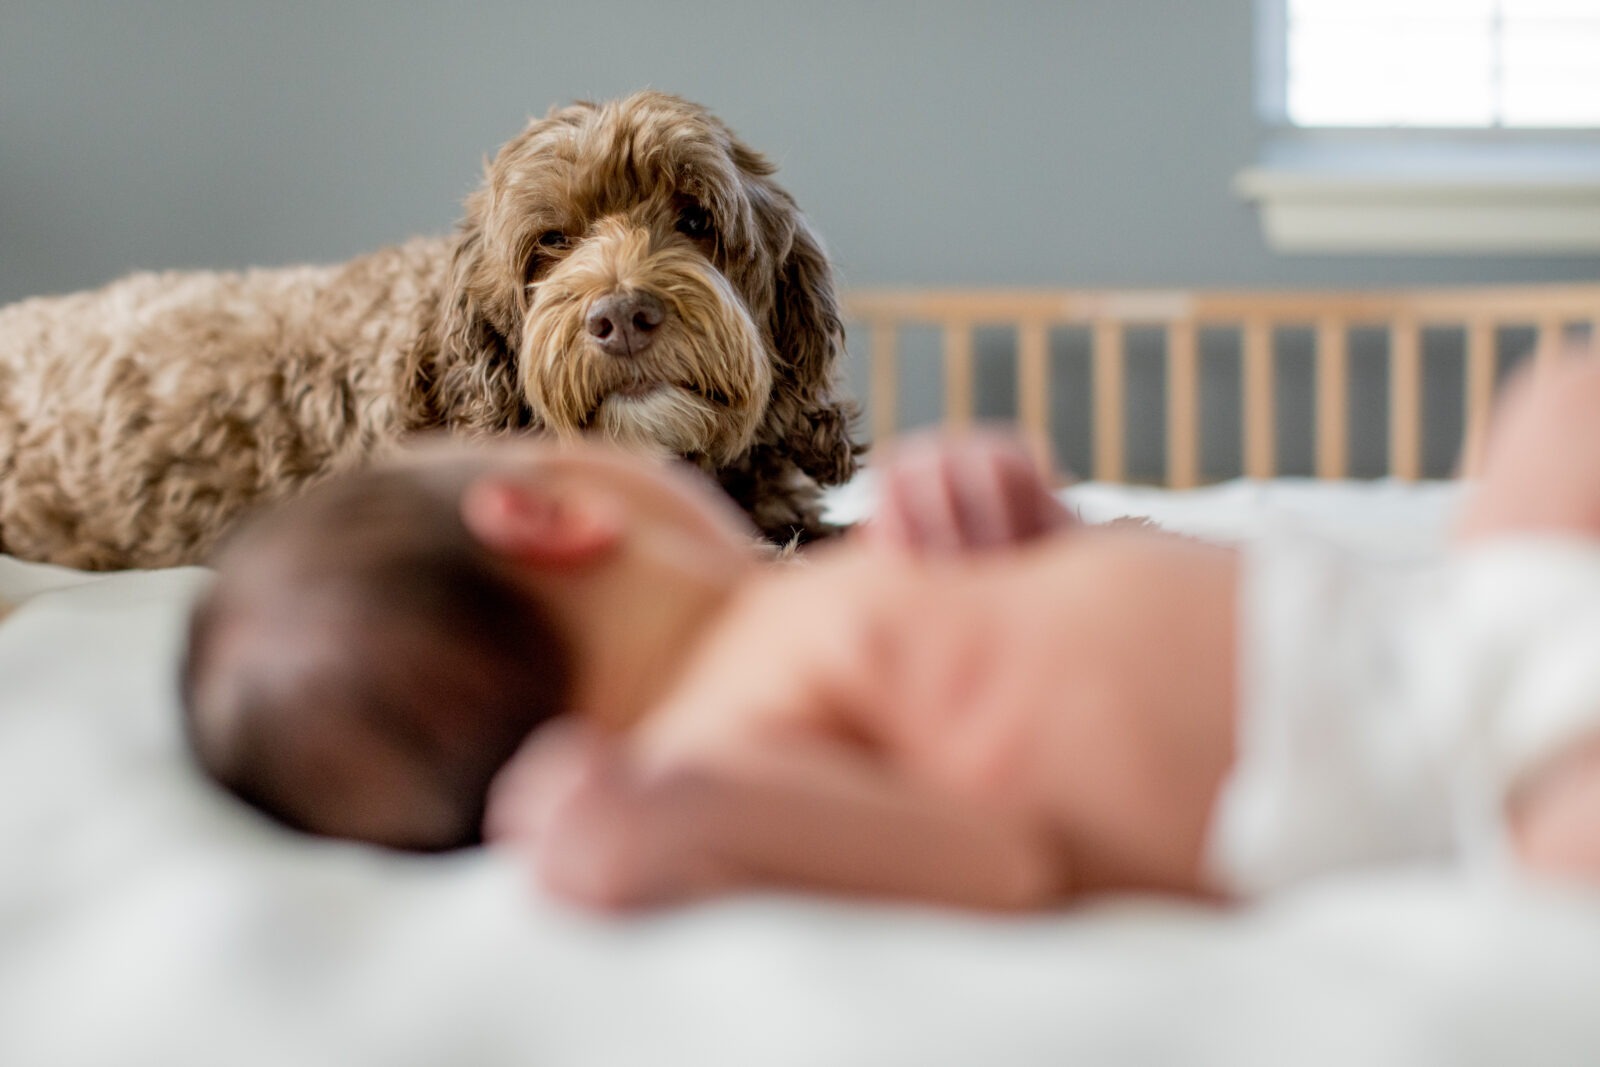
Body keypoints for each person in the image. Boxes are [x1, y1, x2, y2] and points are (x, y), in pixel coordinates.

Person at [184, 349, 1600, 912]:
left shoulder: (812, 596)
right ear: (547, 515)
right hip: (1427, 782)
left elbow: (1114, 614)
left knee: (1563, 404)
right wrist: (677, 821)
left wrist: (1025, 527)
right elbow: (992, 856)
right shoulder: (724, 744)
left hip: (1434, 623)